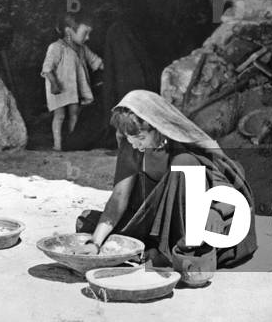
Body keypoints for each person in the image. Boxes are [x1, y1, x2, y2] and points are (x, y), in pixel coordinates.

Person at [83, 90, 257, 283]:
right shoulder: (131, 147)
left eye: (140, 137)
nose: (133, 144)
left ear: (157, 127)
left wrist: (213, 217)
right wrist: (95, 243)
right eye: (129, 137)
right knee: (93, 227)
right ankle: (159, 250)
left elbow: (226, 190)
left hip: (194, 224)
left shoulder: (184, 149)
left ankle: (185, 256)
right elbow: (118, 201)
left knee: (185, 163)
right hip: (155, 222)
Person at [41, 13, 103, 151]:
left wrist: (105, 65)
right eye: (85, 33)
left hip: (74, 89)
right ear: (69, 31)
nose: (88, 38)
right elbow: (47, 68)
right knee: (60, 115)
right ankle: (57, 144)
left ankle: (72, 142)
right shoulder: (56, 47)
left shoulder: (82, 49)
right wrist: (54, 83)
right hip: (58, 88)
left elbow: (95, 61)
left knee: (75, 114)